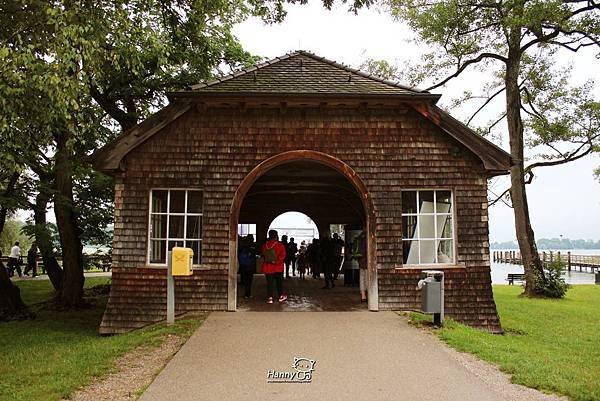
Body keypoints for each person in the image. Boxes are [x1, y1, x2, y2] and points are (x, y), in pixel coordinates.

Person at [261, 230, 287, 304]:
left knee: (269, 283)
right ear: (276, 236)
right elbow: (283, 256)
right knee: (279, 283)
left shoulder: (265, 245)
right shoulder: (280, 245)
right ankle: (280, 297)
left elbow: (263, 254)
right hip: (278, 267)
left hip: (268, 267)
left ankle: (270, 298)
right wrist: (276, 262)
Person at [238, 235, 256, 299]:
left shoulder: (242, 246)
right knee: (249, 281)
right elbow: (255, 255)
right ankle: (248, 294)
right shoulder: (253, 246)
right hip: (251, 266)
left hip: (243, 266)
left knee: (245, 281)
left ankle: (246, 294)